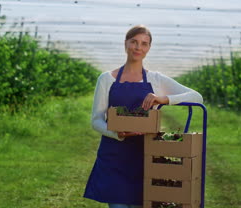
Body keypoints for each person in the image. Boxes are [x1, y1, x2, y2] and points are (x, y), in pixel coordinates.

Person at [83, 25, 203, 208]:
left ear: (148, 48)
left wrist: (162, 99)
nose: (138, 47)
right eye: (134, 42)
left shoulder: (156, 80)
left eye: (144, 44)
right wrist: (116, 133)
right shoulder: (107, 79)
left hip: (146, 157)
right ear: (126, 44)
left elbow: (197, 97)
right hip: (114, 156)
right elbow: (96, 120)